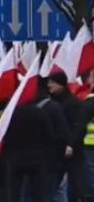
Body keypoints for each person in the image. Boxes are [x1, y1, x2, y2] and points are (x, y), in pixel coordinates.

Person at [3, 90, 56, 202]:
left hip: (16, 157)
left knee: (14, 192)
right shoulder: (40, 113)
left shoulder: (12, 113)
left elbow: (5, 135)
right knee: (38, 193)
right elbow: (49, 136)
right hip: (36, 158)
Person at [45, 72, 84, 202]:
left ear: (61, 84)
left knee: (64, 187)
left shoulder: (72, 103)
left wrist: (71, 144)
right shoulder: (50, 102)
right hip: (54, 152)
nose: (49, 85)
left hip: (68, 153)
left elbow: (77, 127)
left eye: (52, 82)